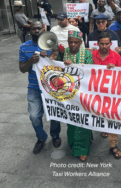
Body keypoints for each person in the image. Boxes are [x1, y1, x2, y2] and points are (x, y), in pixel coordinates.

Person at [19, 21, 61, 154]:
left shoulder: (51, 45)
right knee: (34, 116)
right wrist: (31, 61)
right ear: (30, 31)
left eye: (39, 28)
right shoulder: (24, 47)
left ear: (43, 30)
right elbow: (22, 69)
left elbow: (58, 63)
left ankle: (55, 136)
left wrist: (49, 55)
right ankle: (41, 138)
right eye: (33, 29)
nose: (36, 30)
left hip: (50, 87)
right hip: (34, 88)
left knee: (54, 114)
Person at [51, 30, 93, 162]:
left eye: (76, 42)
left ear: (81, 43)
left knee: (82, 121)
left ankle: (82, 149)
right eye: (70, 42)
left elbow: (90, 71)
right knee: (71, 121)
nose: (73, 44)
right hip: (68, 94)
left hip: (83, 93)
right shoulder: (63, 53)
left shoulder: (87, 54)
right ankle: (73, 143)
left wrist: (73, 65)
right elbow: (55, 68)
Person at [92, 32, 121, 159]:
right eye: (102, 44)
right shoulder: (91, 55)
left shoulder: (116, 56)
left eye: (107, 44)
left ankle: (113, 145)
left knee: (112, 118)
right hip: (94, 93)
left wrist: (114, 69)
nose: (104, 46)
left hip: (111, 93)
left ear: (111, 44)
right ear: (97, 44)